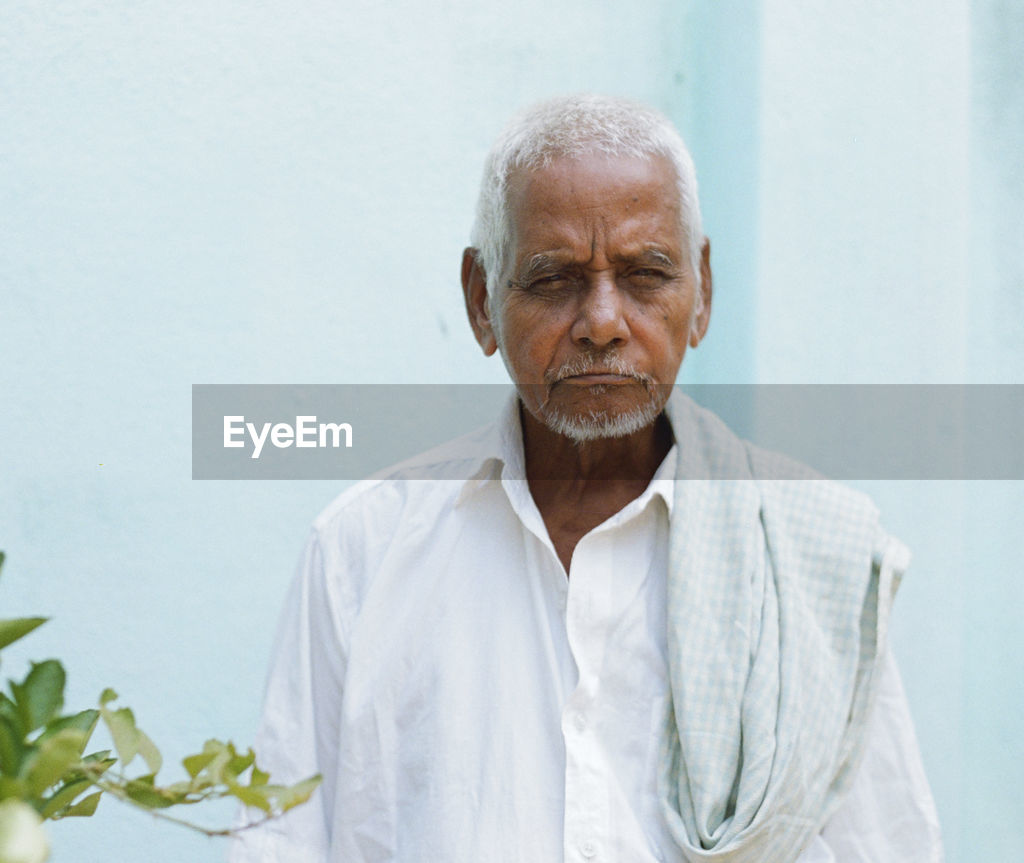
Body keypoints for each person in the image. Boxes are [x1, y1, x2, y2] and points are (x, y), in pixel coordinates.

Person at [228, 95, 942, 863]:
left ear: (700, 292)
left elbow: (888, 845)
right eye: (555, 278)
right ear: (480, 300)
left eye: (645, 275)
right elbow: (280, 842)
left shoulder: (808, 560)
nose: (602, 321)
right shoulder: (361, 552)